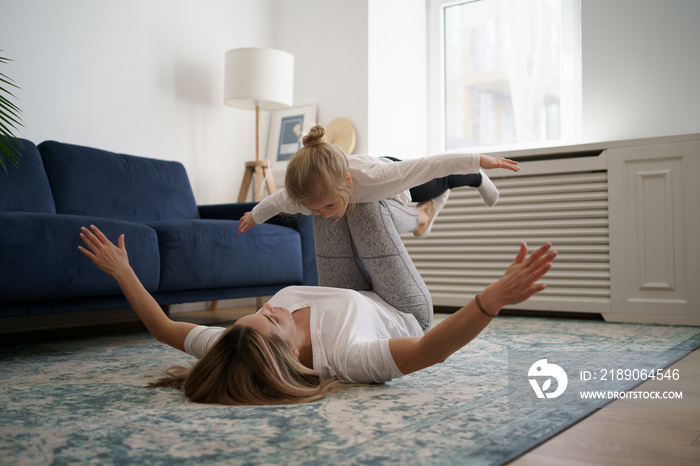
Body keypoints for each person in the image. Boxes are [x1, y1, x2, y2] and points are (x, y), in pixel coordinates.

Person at [78, 200, 557, 406]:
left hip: (345, 288)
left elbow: (163, 328)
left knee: (326, 199)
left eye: (259, 312)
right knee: (362, 204)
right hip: (399, 306)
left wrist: (123, 271)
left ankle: (412, 209)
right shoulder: (348, 358)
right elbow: (430, 351)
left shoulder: (237, 344)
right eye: (273, 321)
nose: (270, 309)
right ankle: (423, 213)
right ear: (287, 356)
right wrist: (490, 300)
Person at [237, 125, 519, 238]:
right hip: (369, 168)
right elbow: (276, 199)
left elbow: (429, 165)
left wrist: (479, 161)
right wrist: (254, 215)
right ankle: (429, 211)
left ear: (346, 183)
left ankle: (475, 180)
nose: (323, 215)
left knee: (440, 181)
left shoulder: (375, 180)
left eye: (328, 206)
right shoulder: (302, 198)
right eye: (316, 210)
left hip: (390, 169)